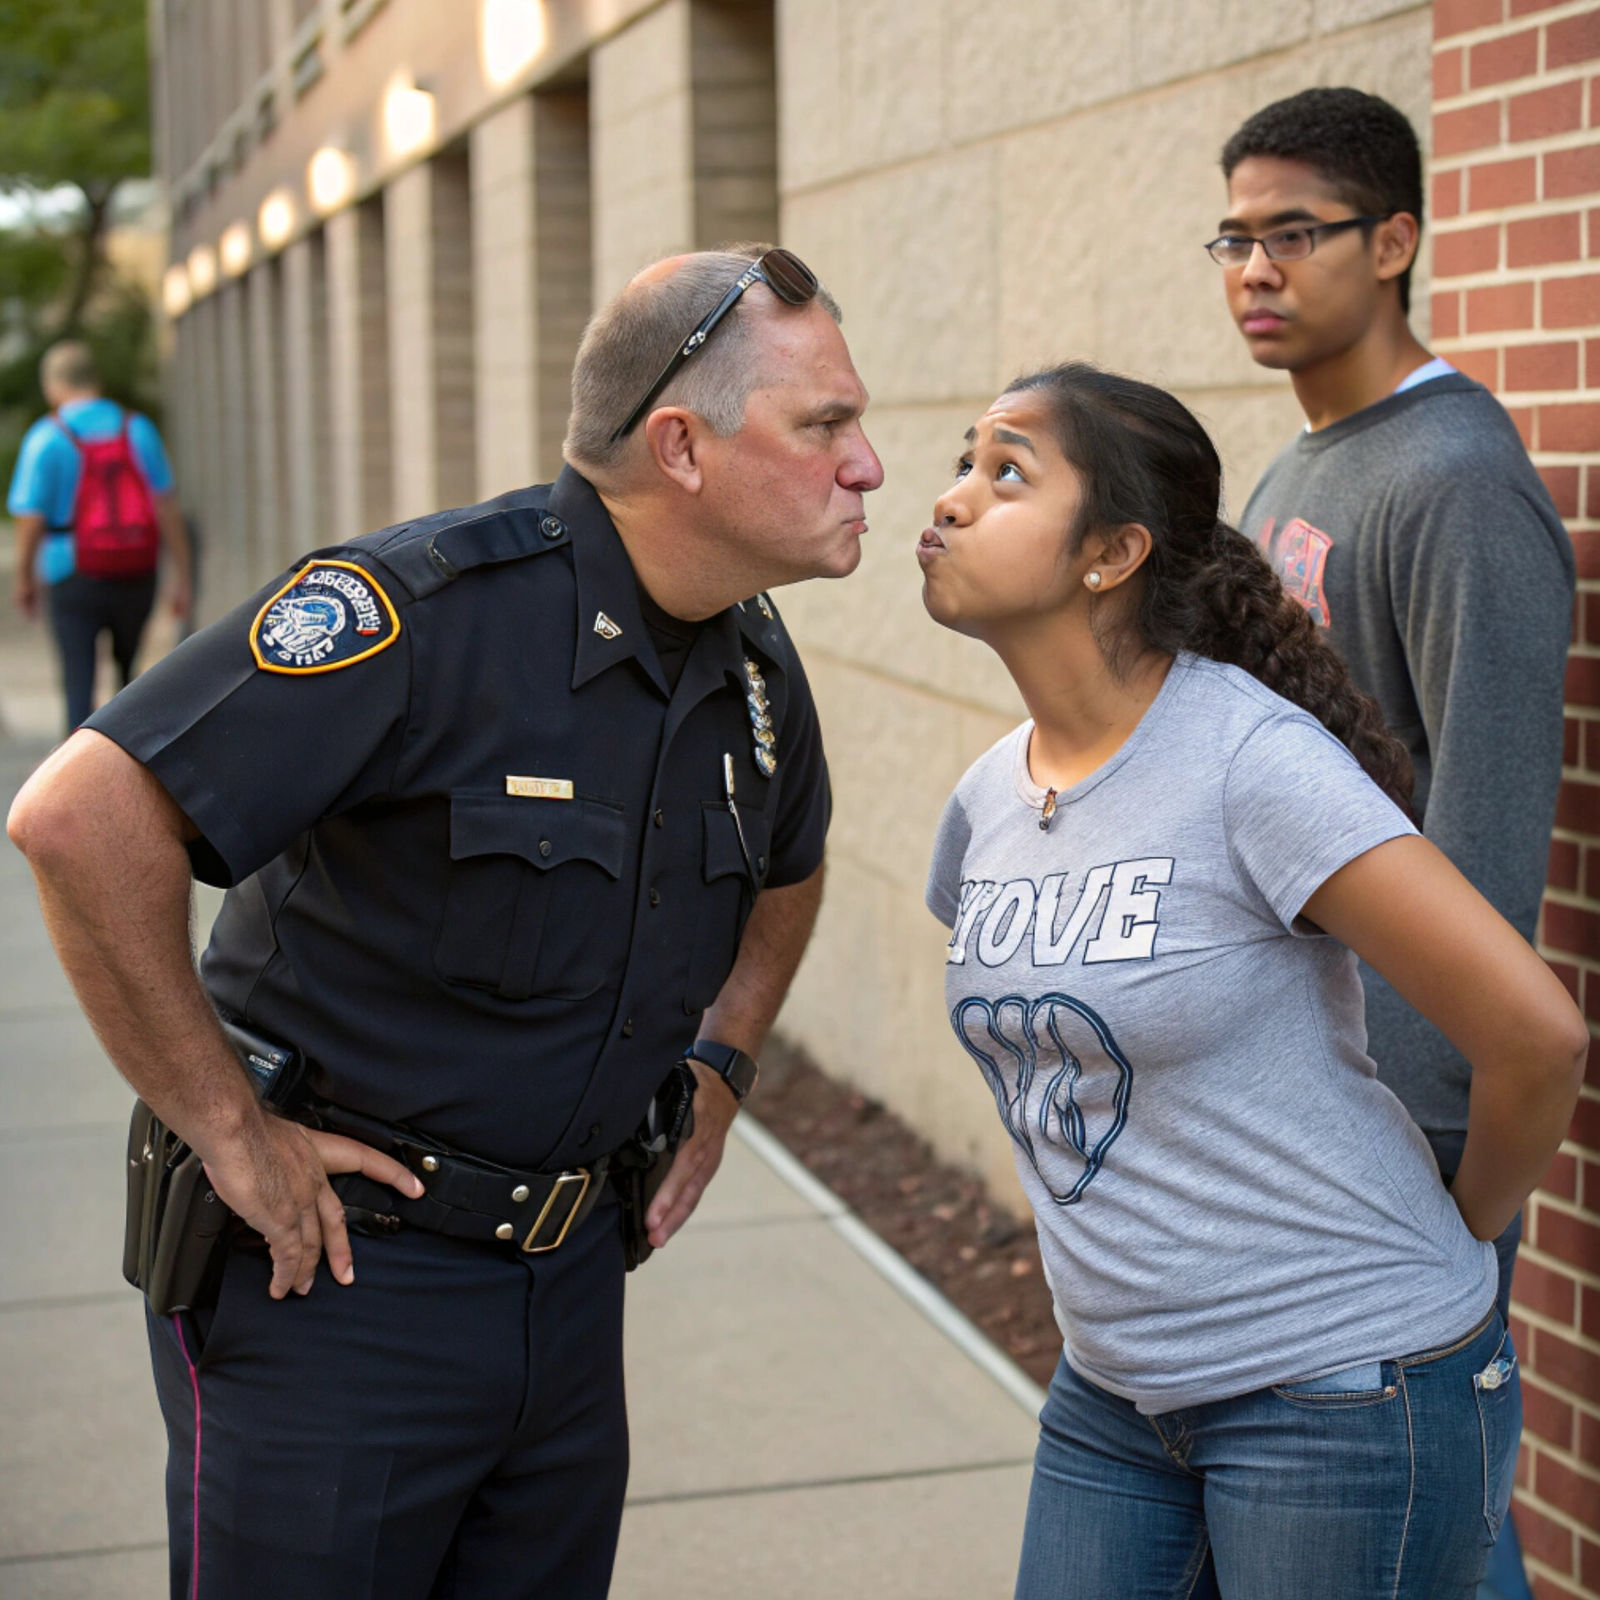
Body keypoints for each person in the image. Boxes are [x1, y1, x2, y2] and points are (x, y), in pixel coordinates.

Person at [7, 245, 883, 1600]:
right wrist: (230, 1126)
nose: (868, 463)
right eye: (825, 423)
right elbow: (79, 817)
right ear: (682, 446)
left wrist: (722, 1063)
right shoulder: (424, 617)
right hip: (338, 1291)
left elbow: (789, 861)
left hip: (574, 1282)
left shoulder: (750, 659)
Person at [918, 362, 1586, 1599]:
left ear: (1110, 554)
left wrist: (1462, 1231)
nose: (951, 499)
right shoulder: (986, 800)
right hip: (1115, 1392)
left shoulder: (1248, 758)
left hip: (1340, 1390)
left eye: (1005, 471)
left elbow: (1534, 1034)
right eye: (963, 462)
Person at [1214, 92, 1574, 1596]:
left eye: (1294, 233)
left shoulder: (1456, 486)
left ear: (1399, 241)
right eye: (1234, 236)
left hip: (1402, 1133)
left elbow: (1479, 843)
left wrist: (1444, 1166)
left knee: (1427, 1522)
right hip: (1312, 1099)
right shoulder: (1306, 467)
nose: (1253, 269)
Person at [7, 339, 192, 734]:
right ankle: (133, 758)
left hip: (71, 573)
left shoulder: (46, 437)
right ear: (96, 380)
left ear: (52, 385)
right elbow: (166, 506)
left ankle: (78, 775)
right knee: (130, 678)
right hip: (137, 569)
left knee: (79, 682)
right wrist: (183, 576)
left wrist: (24, 577)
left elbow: (31, 517)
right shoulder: (137, 428)